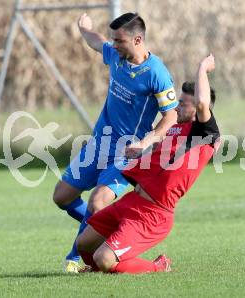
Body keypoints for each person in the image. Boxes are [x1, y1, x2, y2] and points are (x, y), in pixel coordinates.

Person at [53, 12, 178, 272]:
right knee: (62, 196)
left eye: (119, 40)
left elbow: (171, 117)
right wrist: (84, 29)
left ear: (137, 40)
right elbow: (96, 42)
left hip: (128, 153)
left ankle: (76, 257)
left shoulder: (157, 73)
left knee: (98, 200)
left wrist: (146, 143)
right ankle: (106, 234)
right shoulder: (116, 56)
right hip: (99, 145)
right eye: (114, 40)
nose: (114, 45)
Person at [76, 54, 220, 274]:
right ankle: (99, 270)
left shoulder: (204, 132)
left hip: (153, 214)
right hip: (132, 201)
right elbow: (161, 152)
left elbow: (202, 102)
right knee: (83, 243)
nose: (176, 107)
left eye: (182, 103)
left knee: (104, 258)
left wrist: (202, 68)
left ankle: (157, 266)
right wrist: (142, 150)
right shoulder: (175, 129)